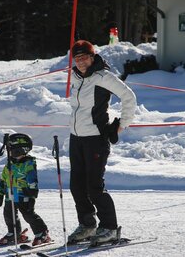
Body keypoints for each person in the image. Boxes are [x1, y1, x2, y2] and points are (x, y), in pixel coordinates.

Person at [67, 40, 137, 245]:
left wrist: (122, 125)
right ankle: (88, 225)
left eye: (84, 57)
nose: (80, 62)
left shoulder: (102, 76)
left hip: (95, 139)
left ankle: (109, 227)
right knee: (77, 186)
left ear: (92, 57)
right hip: (76, 138)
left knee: (94, 187)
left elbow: (129, 96)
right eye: (77, 58)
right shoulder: (77, 78)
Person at [0, 133, 51, 246]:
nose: (11, 153)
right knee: (8, 214)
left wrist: (32, 196)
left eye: (13, 151)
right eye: (10, 151)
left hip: (23, 194)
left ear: (22, 150)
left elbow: (32, 181)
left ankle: (42, 233)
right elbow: (3, 179)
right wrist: (1, 193)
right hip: (9, 195)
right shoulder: (9, 164)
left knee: (28, 214)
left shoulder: (28, 164)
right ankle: (14, 233)